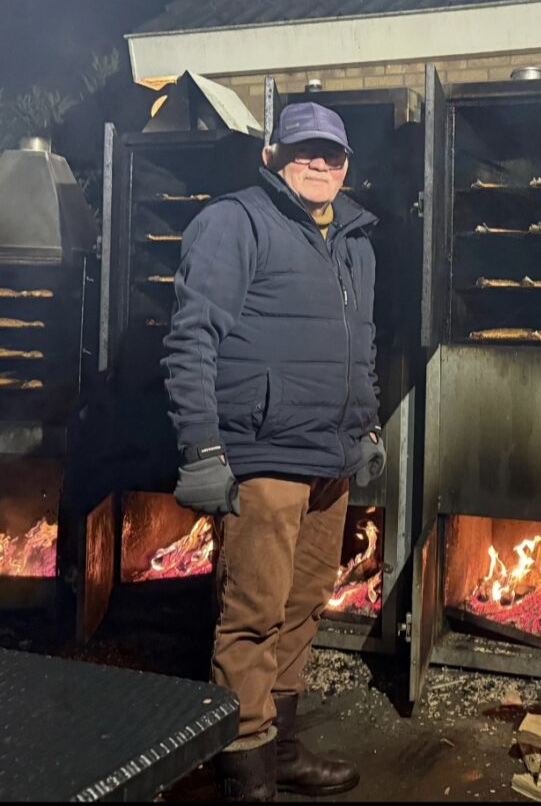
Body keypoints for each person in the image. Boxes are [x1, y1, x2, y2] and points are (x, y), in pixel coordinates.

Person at [162, 101, 385, 801]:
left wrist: (368, 427)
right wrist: (202, 448)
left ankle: (282, 748)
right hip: (262, 456)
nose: (318, 164)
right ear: (271, 157)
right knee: (253, 614)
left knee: (305, 605)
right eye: (302, 151)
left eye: (332, 154)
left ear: (347, 165)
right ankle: (245, 768)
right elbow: (191, 338)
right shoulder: (234, 222)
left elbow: (361, 344)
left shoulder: (355, 238)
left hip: (330, 459)